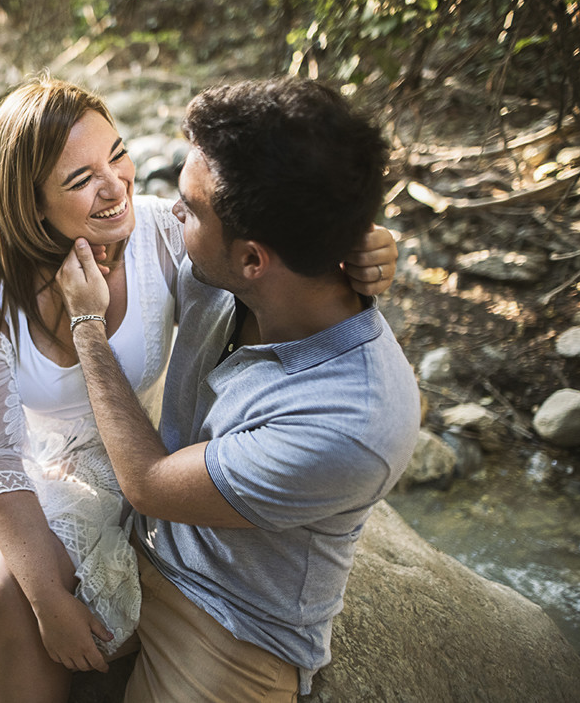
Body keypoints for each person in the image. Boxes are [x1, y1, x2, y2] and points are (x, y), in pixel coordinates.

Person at [0, 75, 399, 703]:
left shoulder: (165, 242)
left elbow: (147, 481)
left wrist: (357, 247)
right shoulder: (0, 288)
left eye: (117, 154)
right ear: (30, 201)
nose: (126, 187)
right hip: (42, 471)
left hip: (147, 501)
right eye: (79, 178)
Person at [46, 76, 422, 701]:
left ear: (253, 260)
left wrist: (88, 327)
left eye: (188, 209)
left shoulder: (352, 420)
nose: (167, 214)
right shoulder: (236, 262)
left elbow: (150, 484)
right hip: (138, 551)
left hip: (234, 622)